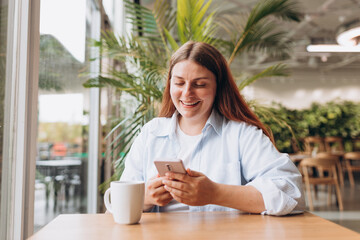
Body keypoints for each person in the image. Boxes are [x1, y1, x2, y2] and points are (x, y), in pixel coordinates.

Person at [120, 41, 305, 215]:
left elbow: (291, 193)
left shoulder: (241, 134)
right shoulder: (150, 134)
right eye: (179, 83)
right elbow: (115, 206)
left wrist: (215, 193)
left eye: (200, 84)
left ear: (218, 87)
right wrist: (144, 198)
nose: (187, 93)